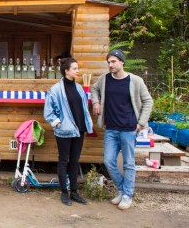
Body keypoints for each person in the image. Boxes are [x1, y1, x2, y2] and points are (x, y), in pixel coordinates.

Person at [91, 49, 153, 210]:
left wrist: (140, 123)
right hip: (111, 128)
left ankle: (127, 195)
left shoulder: (135, 81)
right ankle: (122, 189)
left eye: (113, 62)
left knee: (129, 163)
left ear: (122, 62)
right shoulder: (104, 80)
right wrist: (96, 102)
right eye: (109, 62)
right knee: (108, 161)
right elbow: (94, 89)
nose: (110, 65)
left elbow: (148, 101)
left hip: (129, 129)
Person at [44, 57, 93, 206]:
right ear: (66, 71)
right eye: (75, 68)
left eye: (77, 68)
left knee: (74, 162)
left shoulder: (78, 88)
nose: (78, 71)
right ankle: (64, 193)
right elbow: (48, 111)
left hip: (79, 130)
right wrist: (57, 123)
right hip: (64, 131)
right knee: (63, 161)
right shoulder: (55, 89)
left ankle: (75, 192)